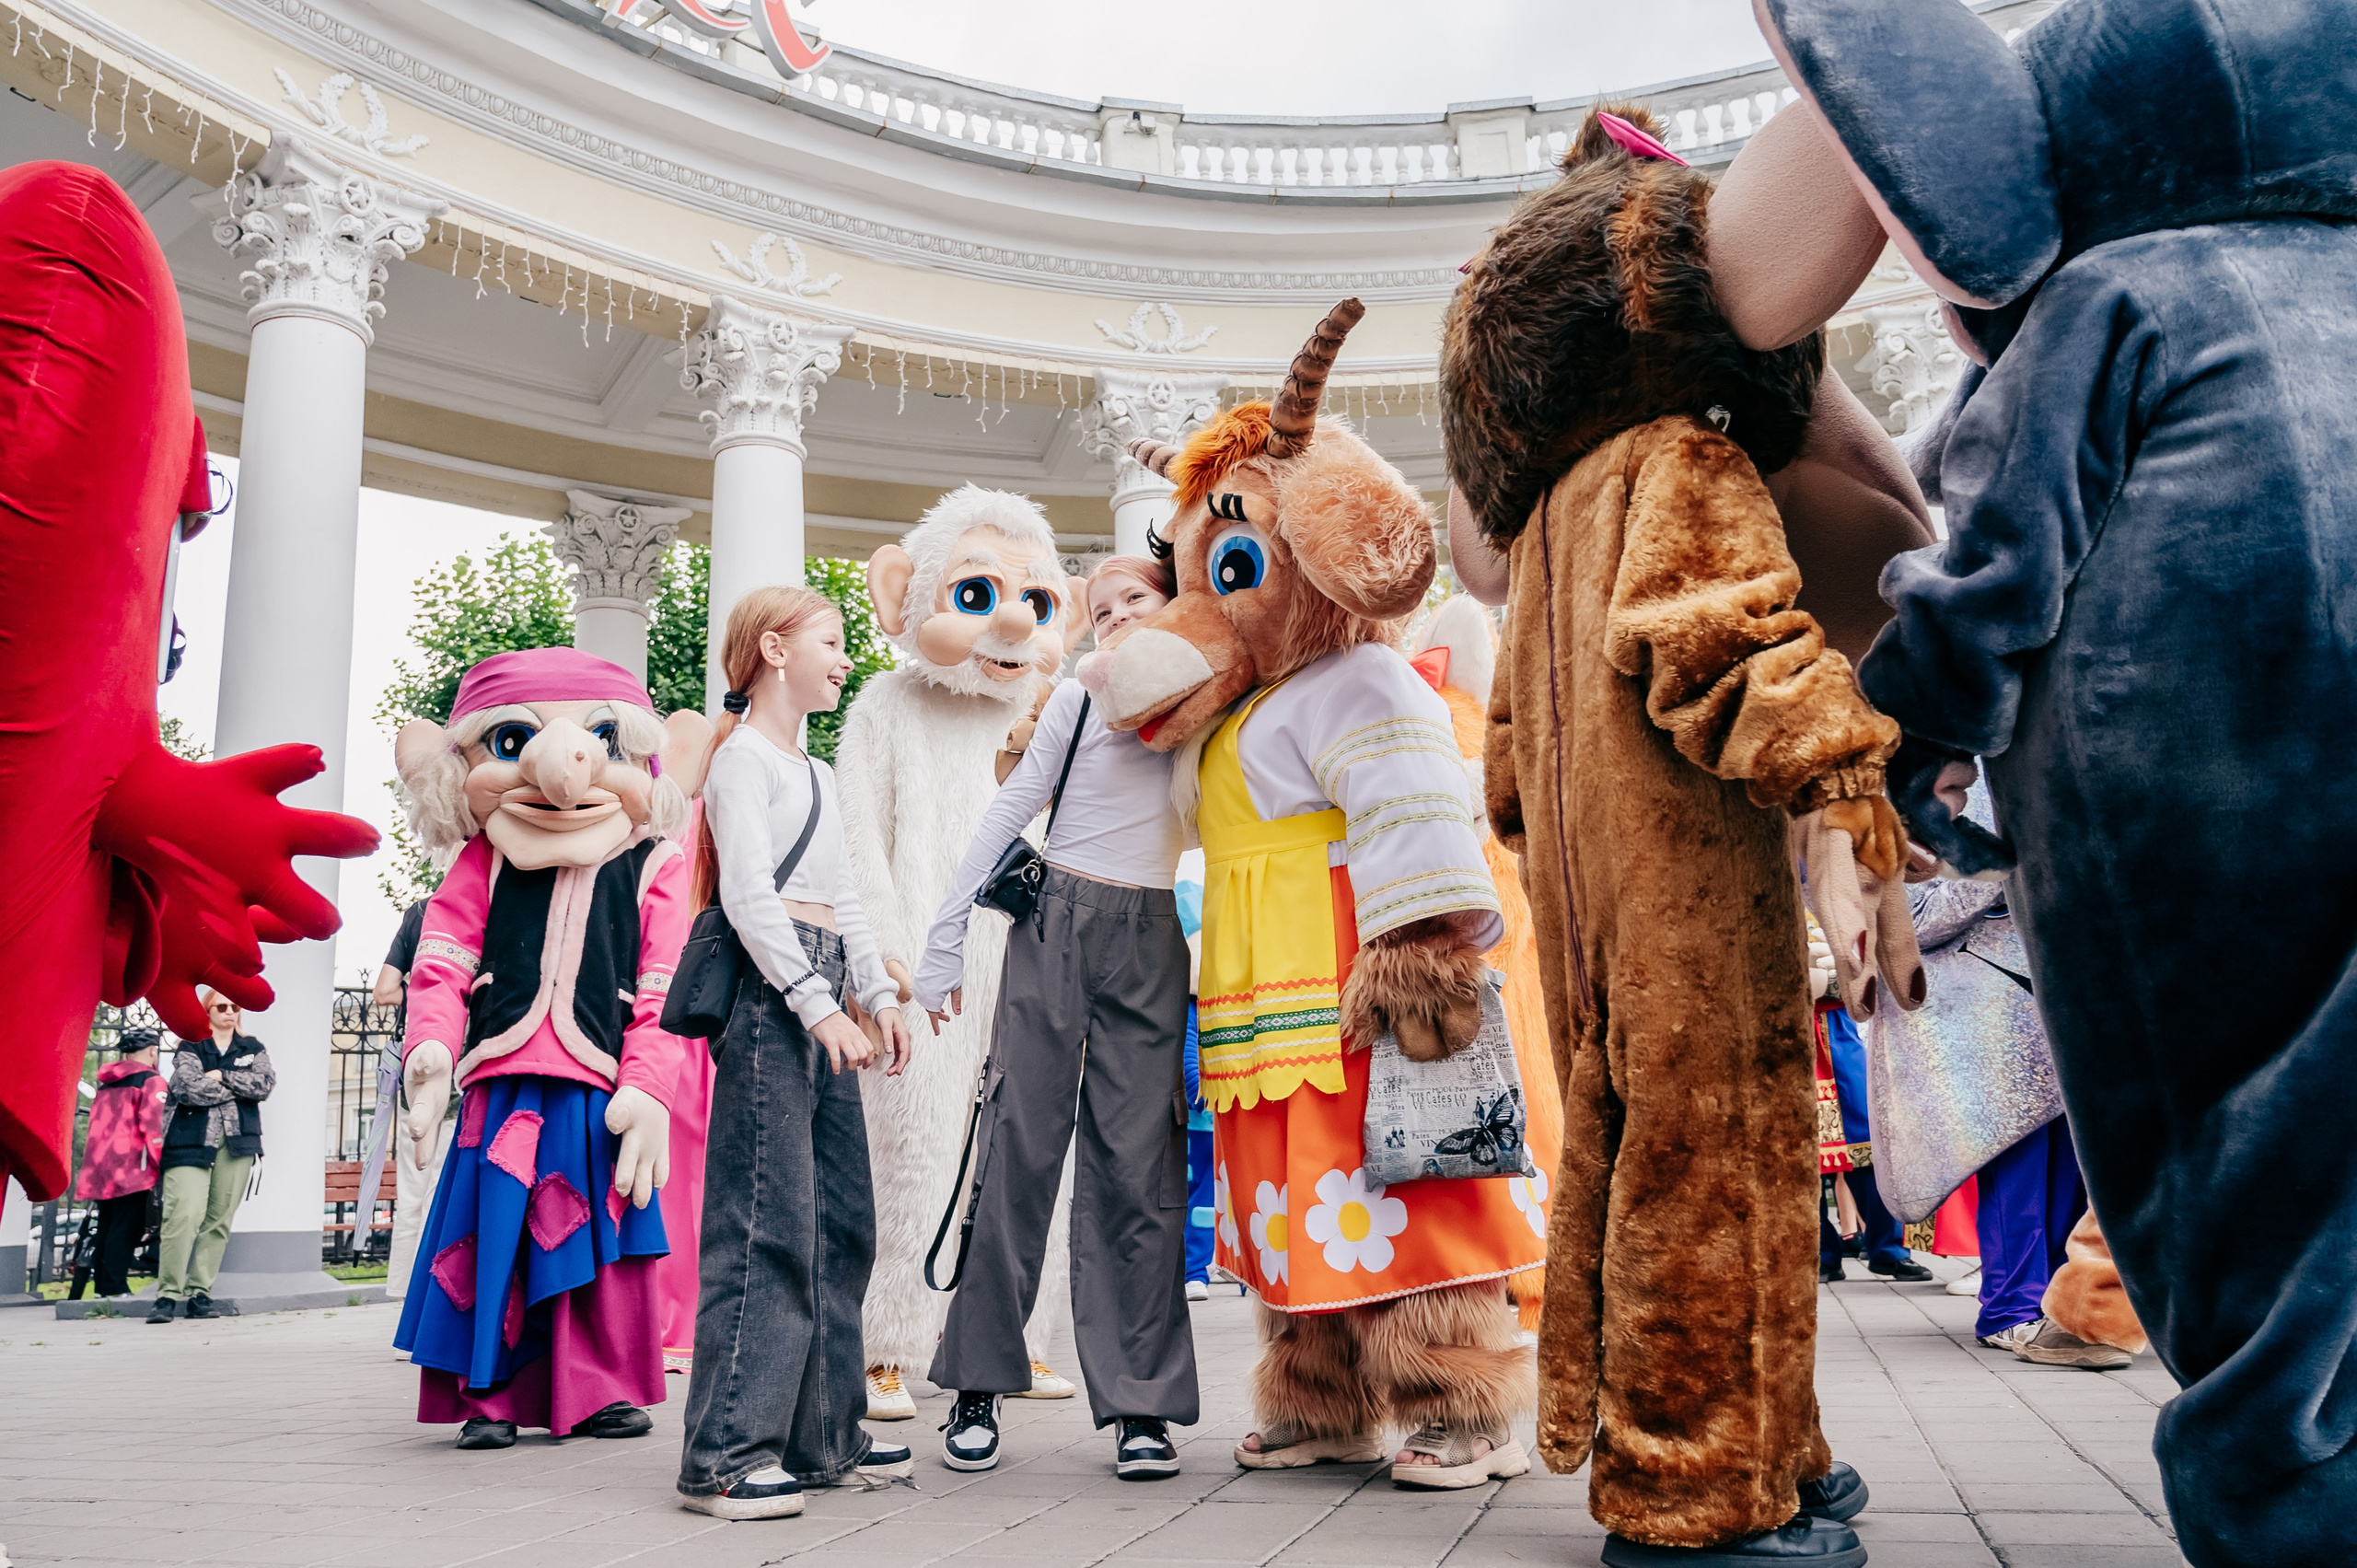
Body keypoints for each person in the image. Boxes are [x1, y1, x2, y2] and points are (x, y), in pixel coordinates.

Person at [913, 555, 1198, 1481]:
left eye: (1134, 599)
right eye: (1100, 609)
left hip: (1153, 932)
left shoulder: (1206, 700)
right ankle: (978, 1384)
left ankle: (1142, 1405)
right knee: (1017, 1148)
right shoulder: (1077, 699)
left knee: (1140, 1168)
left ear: (1175, 603)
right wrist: (944, 939)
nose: (1114, 617)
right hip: (1057, 919)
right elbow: (1009, 809)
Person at [389, 646, 699, 1450]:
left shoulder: (653, 861)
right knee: (494, 1233)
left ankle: (596, 1390)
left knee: (593, 1236)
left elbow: (664, 982)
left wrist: (649, 1084)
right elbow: (442, 958)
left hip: (600, 1084)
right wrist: (430, 1045)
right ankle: (489, 1395)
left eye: (604, 740)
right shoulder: (483, 856)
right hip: (501, 1078)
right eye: (510, 743)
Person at [833, 489, 1091, 1421]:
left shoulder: (1059, 713)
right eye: (976, 594)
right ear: (904, 592)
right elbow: (857, 837)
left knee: (1030, 1149)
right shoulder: (887, 705)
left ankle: (1015, 1334)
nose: (1013, 621)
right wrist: (880, 958)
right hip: (922, 966)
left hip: (1027, 960)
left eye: (1037, 600)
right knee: (911, 1143)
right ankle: (886, 1342)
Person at [677, 586, 918, 1521]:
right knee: (765, 1224)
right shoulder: (741, 760)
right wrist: (820, 1008)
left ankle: (823, 1435)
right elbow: (747, 897)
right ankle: (726, 1454)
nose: (845, 658)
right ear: (774, 650)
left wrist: (880, 997)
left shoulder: (812, 770)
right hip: (771, 995)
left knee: (841, 1224)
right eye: (832, 640)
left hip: (819, 985)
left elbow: (845, 897)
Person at [148, 992, 273, 1323]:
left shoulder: (252, 1048)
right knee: (183, 1215)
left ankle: (199, 1293)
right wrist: (239, 1089)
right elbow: (187, 1088)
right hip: (189, 1141)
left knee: (219, 1220)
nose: (230, 1012)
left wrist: (222, 1076)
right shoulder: (190, 1047)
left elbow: (264, 1084)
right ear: (207, 1011)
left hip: (238, 1143)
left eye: (235, 1007)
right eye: (222, 1006)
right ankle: (167, 1294)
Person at [365, 899, 452, 1301]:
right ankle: (429, 1291)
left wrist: (419, 995)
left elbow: (384, 990)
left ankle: (401, 1290)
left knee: (412, 1189)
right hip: (455, 1056)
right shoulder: (480, 904)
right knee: (440, 1186)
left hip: (412, 1059)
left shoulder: (419, 911)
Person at [74, 1028, 166, 1300]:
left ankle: (103, 1287)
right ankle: (115, 1287)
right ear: (153, 1051)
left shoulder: (108, 1083)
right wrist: (162, 1162)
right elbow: (154, 1126)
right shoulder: (151, 1081)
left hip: (102, 1167)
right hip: (133, 1167)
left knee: (107, 1226)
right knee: (126, 1228)